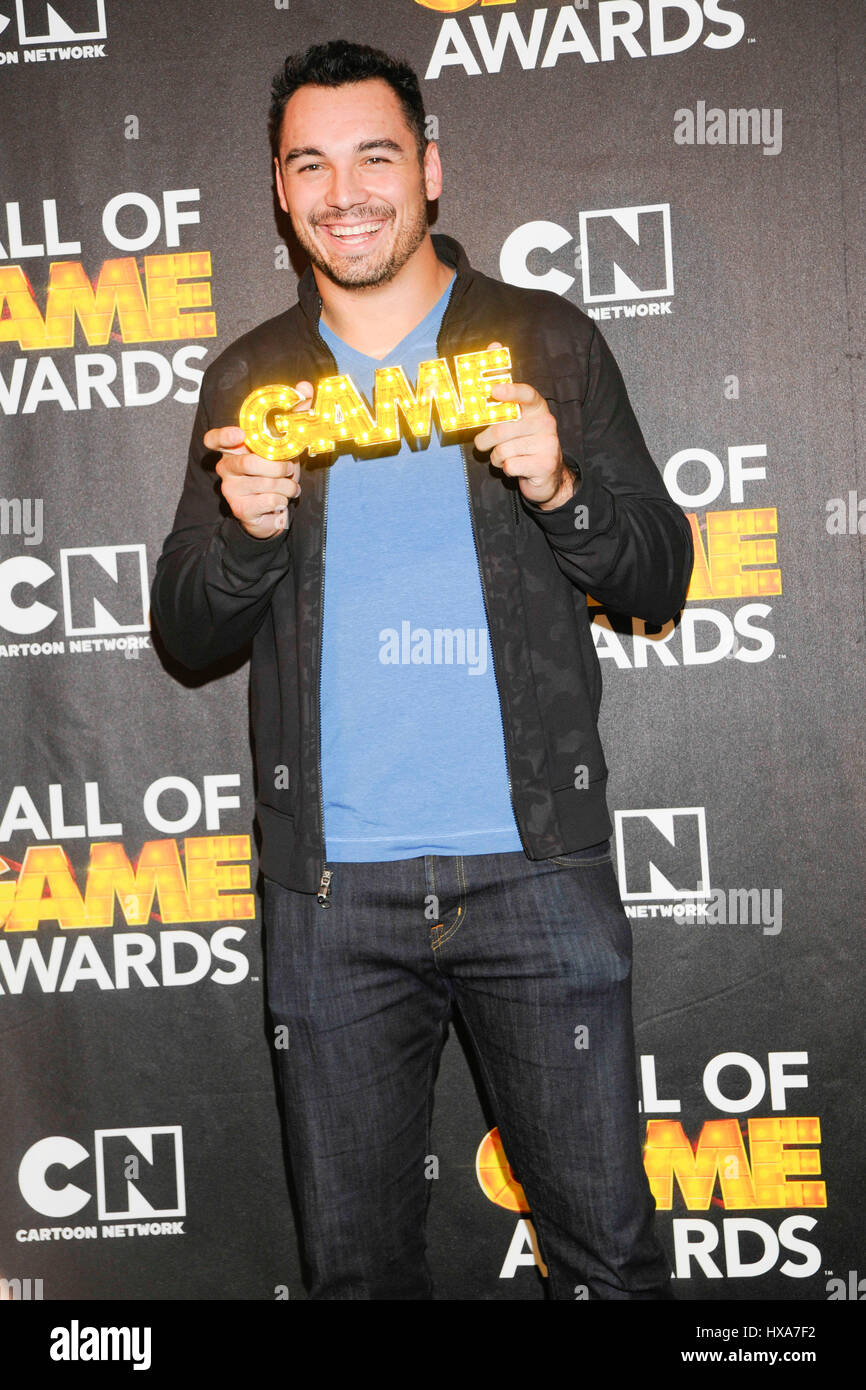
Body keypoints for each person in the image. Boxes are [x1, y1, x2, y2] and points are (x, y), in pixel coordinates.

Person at [151, 38, 693, 1301]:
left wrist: (560, 488)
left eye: (375, 156)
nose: (345, 191)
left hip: (535, 876)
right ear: (280, 194)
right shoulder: (247, 378)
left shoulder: (543, 340)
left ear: (431, 170)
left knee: (609, 1265)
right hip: (331, 901)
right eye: (312, 164)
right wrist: (245, 535)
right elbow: (186, 627)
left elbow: (657, 574)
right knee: (353, 1276)